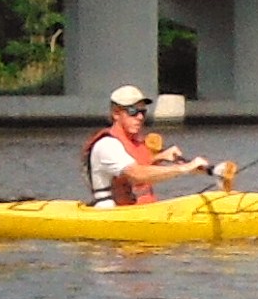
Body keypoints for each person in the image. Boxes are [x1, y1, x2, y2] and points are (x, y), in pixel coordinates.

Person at [85, 85, 236, 208]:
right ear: (116, 113)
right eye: (133, 111)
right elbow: (136, 174)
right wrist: (183, 168)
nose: (140, 117)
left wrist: (160, 158)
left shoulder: (136, 143)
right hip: (111, 212)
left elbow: (142, 165)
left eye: (143, 112)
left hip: (139, 211)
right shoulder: (107, 145)